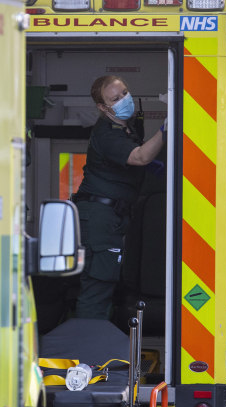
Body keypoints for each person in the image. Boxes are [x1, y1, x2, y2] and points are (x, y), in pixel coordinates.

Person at [71, 75, 167, 319]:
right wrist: (166, 129)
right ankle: (87, 352)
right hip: (99, 219)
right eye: (116, 98)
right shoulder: (106, 133)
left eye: (124, 92)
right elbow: (139, 157)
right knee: (98, 285)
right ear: (103, 107)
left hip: (113, 217)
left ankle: (99, 346)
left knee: (111, 284)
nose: (124, 99)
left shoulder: (128, 125)